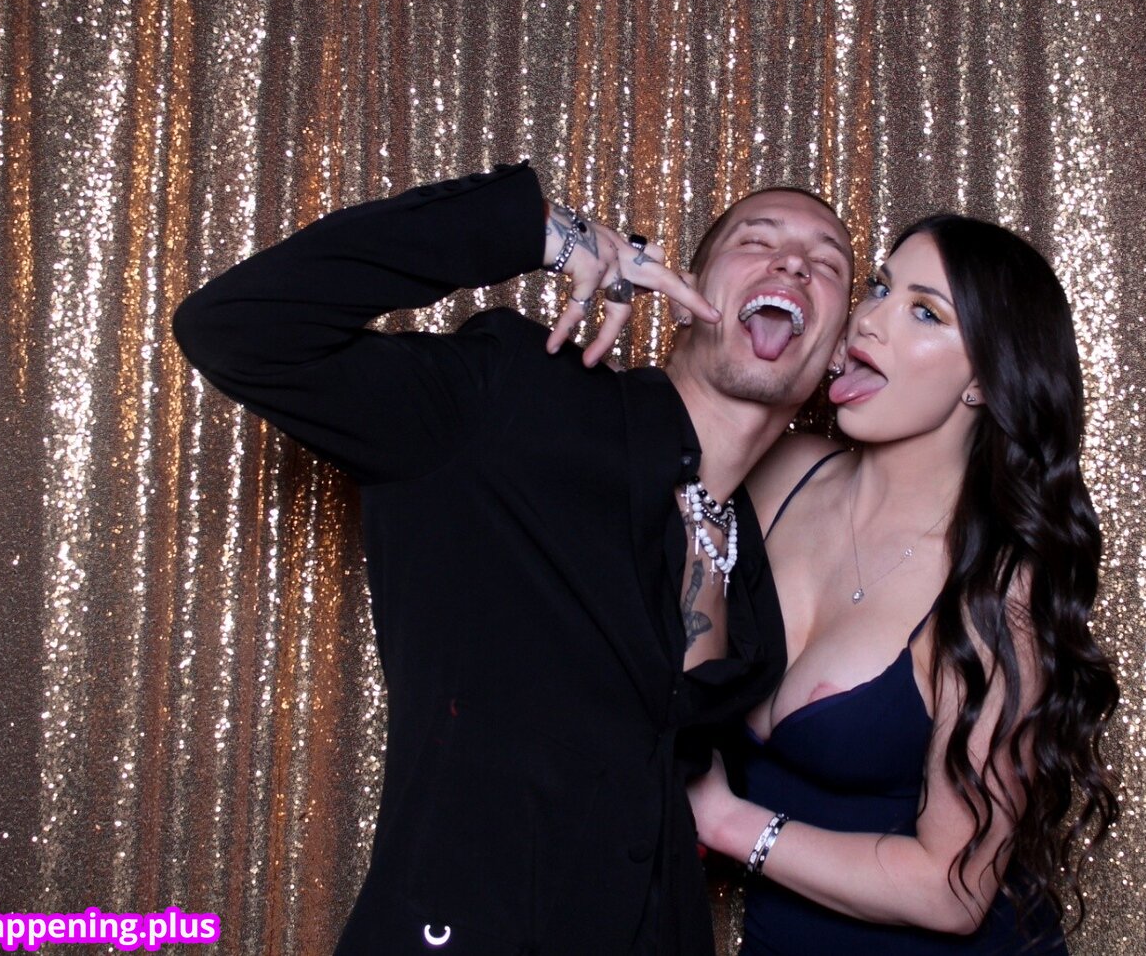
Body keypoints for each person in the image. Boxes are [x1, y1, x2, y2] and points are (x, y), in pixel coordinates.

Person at [171, 160, 855, 955]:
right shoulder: (510, 401)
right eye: (757, 241)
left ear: (837, 350)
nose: (792, 264)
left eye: (828, 263)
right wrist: (533, 228)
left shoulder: (750, 557)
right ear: (686, 298)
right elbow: (238, 328)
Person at [688, 214, 1119, 954]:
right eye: (880, 289)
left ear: (983, 380)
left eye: (926, 312)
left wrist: (727, 822)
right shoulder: (779, 474)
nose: (870, 319)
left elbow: (954, 890)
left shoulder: (998, 589)